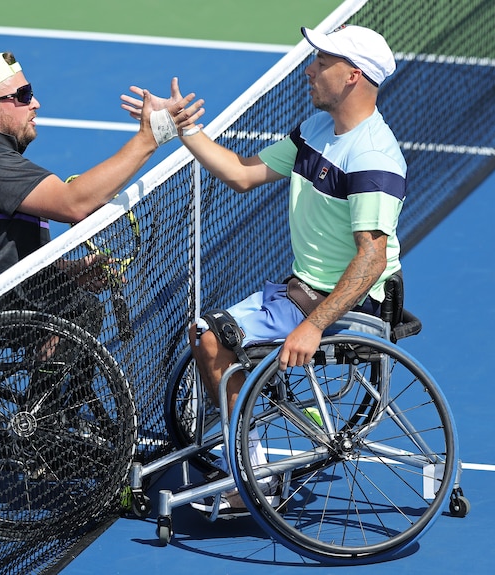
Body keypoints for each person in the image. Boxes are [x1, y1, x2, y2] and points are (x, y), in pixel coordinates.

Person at [122, 24, 406, 516]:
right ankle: (252, 439)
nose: (309, 69)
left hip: (347, 302)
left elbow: (372, 258)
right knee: (208, 335)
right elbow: (241, 173)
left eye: (321, 61)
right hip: (302, 292)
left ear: (354, 76)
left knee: (209, 337)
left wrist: (314, 327)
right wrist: (180, 127)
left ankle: (250, 476)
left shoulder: (374, 158)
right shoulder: (318, 131)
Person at [0, 51, 201, 331]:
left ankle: (53, 391)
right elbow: (73, 203)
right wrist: (151, 136)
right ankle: (49, 392)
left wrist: (66, 271)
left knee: (76, 305)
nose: (35, 103)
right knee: (75, 313)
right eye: (23, 95)